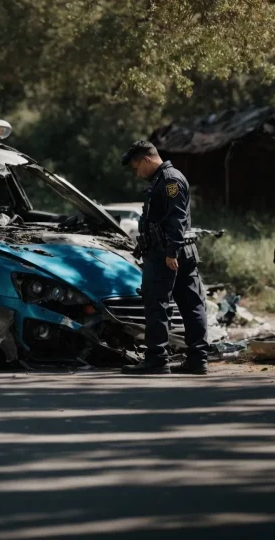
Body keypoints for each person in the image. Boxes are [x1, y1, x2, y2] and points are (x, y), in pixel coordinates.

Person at [119, 141, 210, 375]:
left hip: (166, 254)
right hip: (174, 251)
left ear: (147, 160)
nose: (137, 173)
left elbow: (177, 218)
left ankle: (157, 359)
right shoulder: (162, 179)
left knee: (157, 304)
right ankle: (197, 359)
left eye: (136, 167)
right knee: (191, 304)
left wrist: (171, 252)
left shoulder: (170, 180)